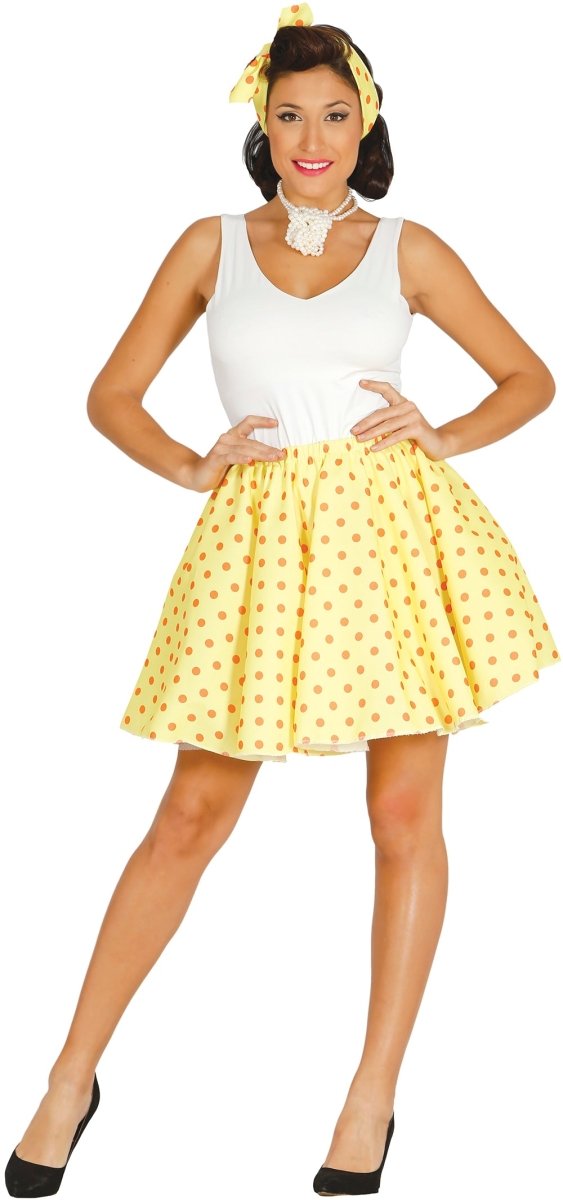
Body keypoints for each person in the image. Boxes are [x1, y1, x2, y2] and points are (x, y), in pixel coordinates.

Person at [5, 4, 560, 1197]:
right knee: (190, 814)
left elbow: (529, 377)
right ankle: (68, 1077)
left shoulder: (409, 247)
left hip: (391, 539)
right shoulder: (209, 244)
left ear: (367, 124)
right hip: (258, 543)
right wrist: (189, 464)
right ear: (261, 122)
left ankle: (369, 1100)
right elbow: (111, 394)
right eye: (291, 115)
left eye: (335, 115)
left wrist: (443, 434)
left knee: (401, 815)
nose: (313, 139)